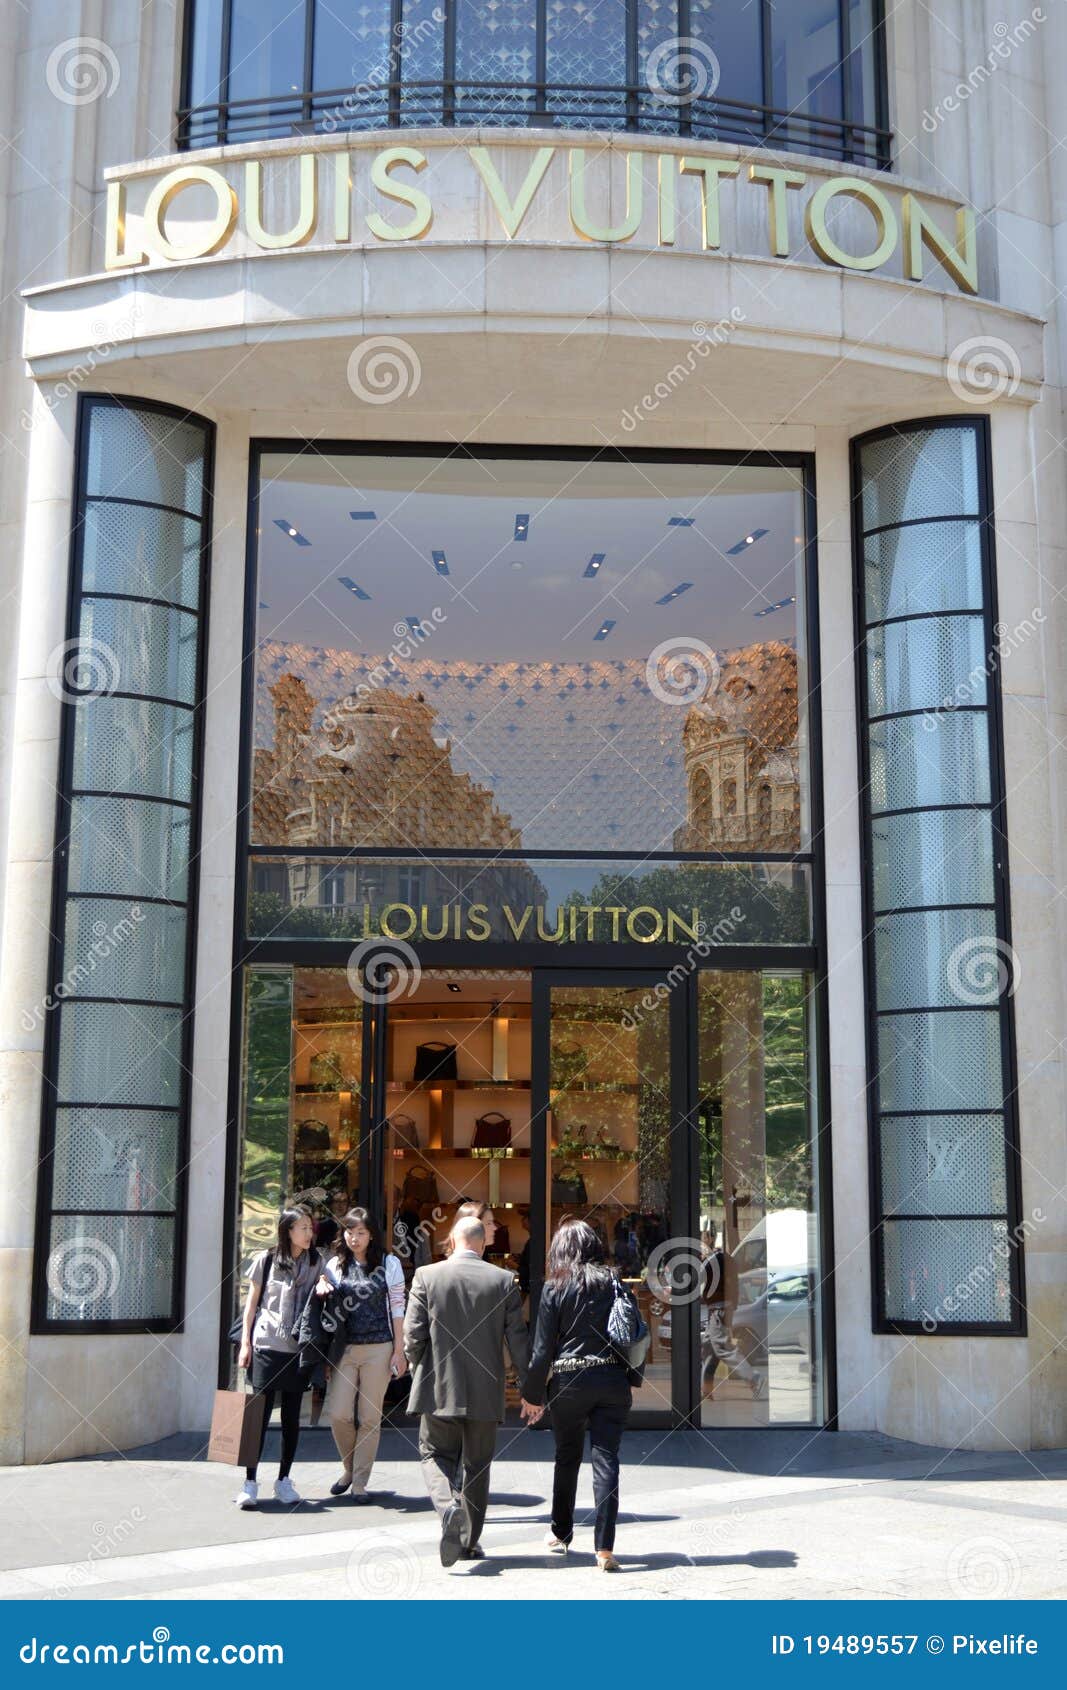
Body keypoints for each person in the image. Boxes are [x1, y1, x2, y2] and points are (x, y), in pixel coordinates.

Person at [403, 1213, 532, 1566]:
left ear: (453, 1240)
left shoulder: (427, 1276)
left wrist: (418, 1366)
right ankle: (469, 1542)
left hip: (438, 1387)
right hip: (485, 1391)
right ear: (483, 1242)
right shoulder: (503, 1280)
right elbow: (518, 1340)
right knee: (477, 1466)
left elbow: (413, 1335)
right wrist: (529, 1387)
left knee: (433, 1455)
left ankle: (447, 1509)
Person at [522, 1218, 637, 1572]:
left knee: (567, 1455)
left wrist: (532, 1395)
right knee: (607, 1460)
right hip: (612, 1379)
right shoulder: (614, 1281)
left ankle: (560, 1532)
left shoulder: (553, 1288)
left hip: (569, 1382)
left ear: (561, 1249)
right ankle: (604, 1548)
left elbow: (542, 1352)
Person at [316, 1207, 406, 1500]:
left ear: (371, 1235)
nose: (354, 1238)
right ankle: (349, 1468)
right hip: (344, 1348)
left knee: (369, 1417)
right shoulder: (335, 1265)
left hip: (379, 1348)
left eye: (361, 1233)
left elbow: (397, 1307)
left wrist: (399, 1350)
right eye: (350, 1232)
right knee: (339, 1414)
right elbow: (324, 1301)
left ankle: (359, 1482)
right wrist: (321, 1285)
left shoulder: (389, 1263)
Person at [236, 1207, 321, 1509]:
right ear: (287, 1231)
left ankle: (284, 1481)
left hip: (298, 1349)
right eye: (302, 1228)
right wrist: (245, 1343)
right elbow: (251, 1305)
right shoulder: (267, 1259)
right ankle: (249, 1482)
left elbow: (329, 1291)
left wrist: (325, 1287)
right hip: (266, 1344)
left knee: (291, 1420)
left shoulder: (316, 1262)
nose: (308, 1233)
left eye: (310, 1227)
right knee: (256, 1417)